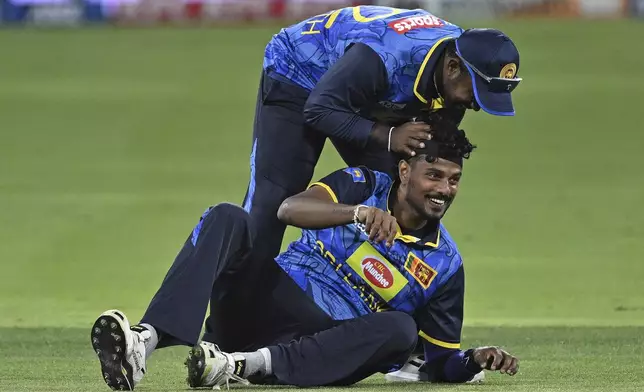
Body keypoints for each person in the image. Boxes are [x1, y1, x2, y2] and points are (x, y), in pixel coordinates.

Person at [90, 121, 519, 390]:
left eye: (454, 180)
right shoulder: (362, 184)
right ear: (405, 171)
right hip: (265, 299)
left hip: (319, 340)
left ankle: (239, 366)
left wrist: (473, 360)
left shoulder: (445, 265)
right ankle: (142, 342)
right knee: (227, 217)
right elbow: (289, 209)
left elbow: (441, 360)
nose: (444, 190)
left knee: (401, 329)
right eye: (434, 175)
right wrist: (357, 213)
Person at [243, 5, 523, 287]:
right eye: (477, 92)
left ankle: (356, 296)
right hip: (300, 72)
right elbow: (319, 109)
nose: (476, 105)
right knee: (272, 198)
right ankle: (227, 323)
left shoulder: (462, 60)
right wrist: (388, 136)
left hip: (367, 89)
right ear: (452, 68)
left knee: (402, 189)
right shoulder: (387, 56)